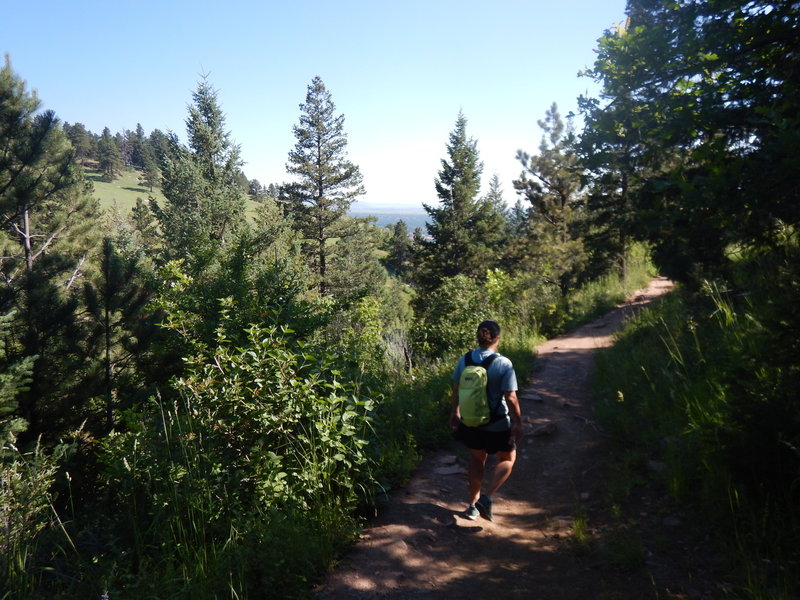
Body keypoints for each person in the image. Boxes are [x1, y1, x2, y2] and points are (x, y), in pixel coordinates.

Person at [450, 320, 523, 521]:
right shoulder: (503, 363)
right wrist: (518, 422)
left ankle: (472, 506)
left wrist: (454, 413)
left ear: (478, 336)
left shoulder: (464, 360)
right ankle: (487, 497)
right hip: (498, 424)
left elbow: (455, 389)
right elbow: (511, 397)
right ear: (497, 338)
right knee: (507, 459)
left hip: (471, 422)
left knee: (476, 460)